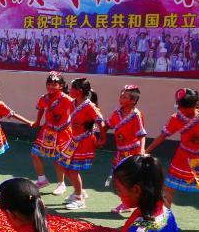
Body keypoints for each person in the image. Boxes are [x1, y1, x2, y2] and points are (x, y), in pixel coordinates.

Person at [146, 88, 199, 230]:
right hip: (183, 157)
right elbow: (163, 136)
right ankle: (163, 220)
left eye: (187, 107)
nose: (184, 110)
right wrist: (147, 150)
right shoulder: (175, 118)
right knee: (169, 189)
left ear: (196, 104)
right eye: (181, 107)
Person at [58, 78, 105, 210]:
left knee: (73, 169)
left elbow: (100, 121)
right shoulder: (73, 103)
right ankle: (79, 191)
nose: (69, 90)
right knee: (64, 165)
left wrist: (103, 138)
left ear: (78, 91)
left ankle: (79, 199)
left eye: (72, 88)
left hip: (85, 140)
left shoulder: (89, 106)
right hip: (74, 139)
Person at [101, 85, 147, 214]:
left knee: (131, 179)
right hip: (120, 152)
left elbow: (141, 134)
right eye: (121, 95)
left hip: (133, 152)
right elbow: (107, 126)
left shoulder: (136, 115)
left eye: (125, 97)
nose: (121, 98)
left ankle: (132, 203)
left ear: (133, 100)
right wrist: (98, 128)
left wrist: (142, 151)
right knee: (121, 179)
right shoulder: (117, 113)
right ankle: (129, 203)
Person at [29, 72, 74, 196]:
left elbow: (77, 109)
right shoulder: (44, 98)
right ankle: (42, 180)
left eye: (54, 84)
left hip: (63, 131)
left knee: (58, 159)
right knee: (34, 154)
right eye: (49, 84)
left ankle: (61, 184)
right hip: (47, 131)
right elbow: (41, 109)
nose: (50, 87)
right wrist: (37, 121)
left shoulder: (66, 99)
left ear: (61, 86)